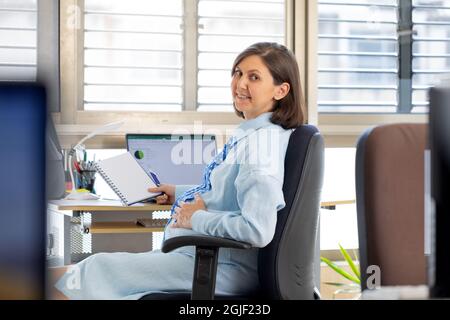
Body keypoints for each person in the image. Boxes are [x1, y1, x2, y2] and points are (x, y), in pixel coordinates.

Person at [53, 42, 305, 299]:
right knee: (80, 274)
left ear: (281, 90)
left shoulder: (261, 147)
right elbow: (225, 194)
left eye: (254, 77)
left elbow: (256, 230)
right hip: (205, 258)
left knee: (90, 271)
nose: (240, 84)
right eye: (238, 73)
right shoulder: (255, 134)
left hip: (222, 268)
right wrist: (179, 193)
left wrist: (194, 218)